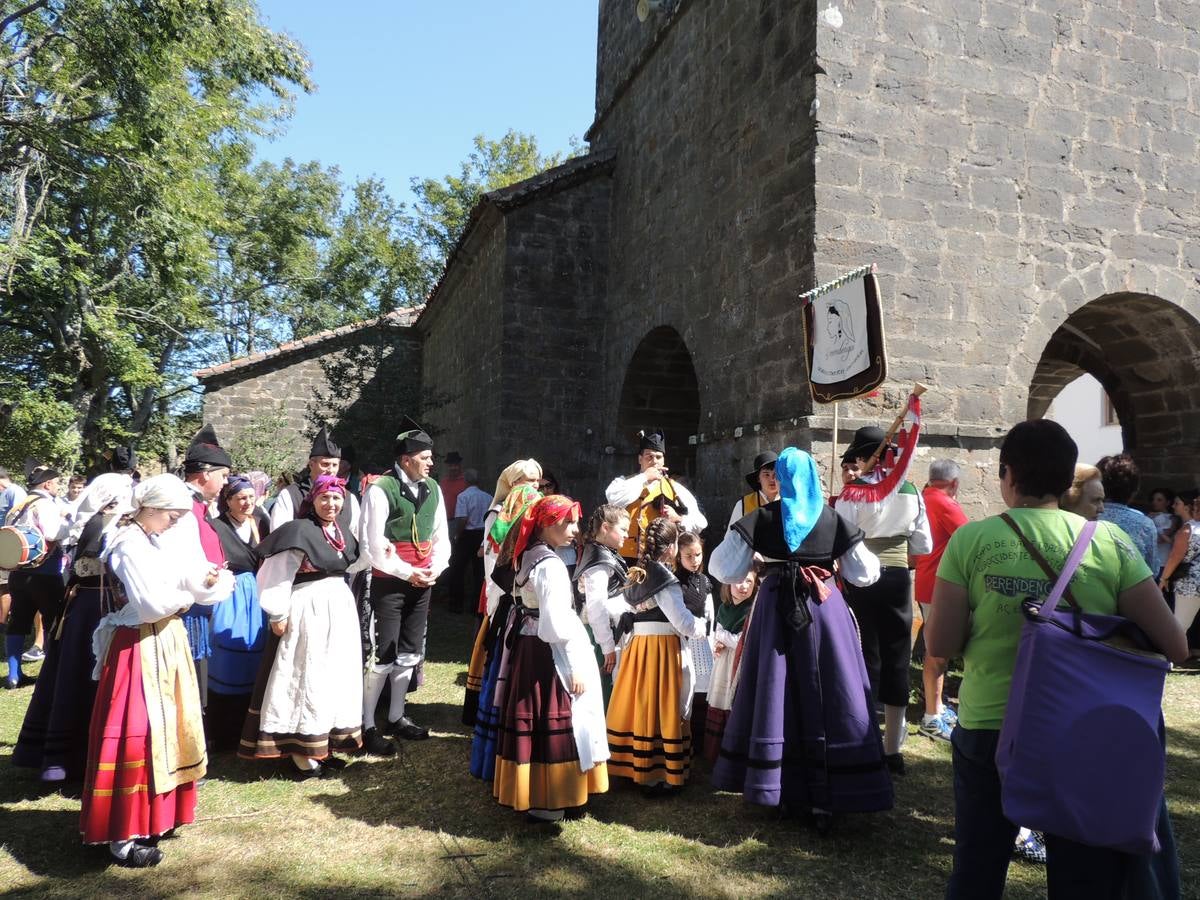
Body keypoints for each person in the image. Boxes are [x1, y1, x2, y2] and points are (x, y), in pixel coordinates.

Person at [926, 419, 1187, 899]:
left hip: (989, 724)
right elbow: (1174, 644)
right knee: (1083, 877)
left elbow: (940, 643)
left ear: (1007, 474)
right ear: (1068, 479)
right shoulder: (1107, 542)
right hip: (1079, 730)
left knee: (977, 870)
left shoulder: (971, 540)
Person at [709, 446, 891, 826]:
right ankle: (826, 795)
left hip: (775, 611)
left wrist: (766, 560)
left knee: (777, 692)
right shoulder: (832, 519)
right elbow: (865, 574)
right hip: (824, 610)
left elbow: (722, 568)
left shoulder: (762, 517)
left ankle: (779, 788)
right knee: (830, 692)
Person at [80, 474, 234, 867]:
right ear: (148, 509)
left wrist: (204, 581)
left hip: (163, 642)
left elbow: (180, 582)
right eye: (171, 514)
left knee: (168, 731)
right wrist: (185, 598)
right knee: (137, 736)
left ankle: (156, 817)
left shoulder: (150, 539)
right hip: (137, 647)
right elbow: (151, 603)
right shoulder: (128, 544)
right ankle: (122, 834)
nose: (175, 521)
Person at [492, 494, 609, 823]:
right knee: (555, 721)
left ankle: (537, 794)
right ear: (545, 525)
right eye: (567, 523)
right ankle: (551, 798)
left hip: (529, 648)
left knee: (535, 719)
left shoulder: (528, 555)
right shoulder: (550, 565)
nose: (575, 530)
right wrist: (573, 666)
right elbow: (557, 625)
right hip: (549, 655)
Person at [240, 475, 363, 775]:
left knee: (335, 674)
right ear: (313, 500)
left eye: (336, 498)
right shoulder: (298, 531)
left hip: (339, 608)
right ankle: (300, 751)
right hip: (309, 608)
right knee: (307, 675)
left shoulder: (342, 531)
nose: (331, 504)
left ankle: (324, 744)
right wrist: (278, 613)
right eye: (324, 498)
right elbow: (275, 574)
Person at [13, 473, 133, 781]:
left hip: (82, 607)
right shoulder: (108, 524)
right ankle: (80, 755)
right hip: (97, 609)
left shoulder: (93, 520)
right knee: (85, 676)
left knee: (70, 674)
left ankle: (64, 757)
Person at [835, 426, 932, 773]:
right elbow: (924, 546)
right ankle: (893, 750)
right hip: (896, 578)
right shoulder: (911, 492)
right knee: (897, 656)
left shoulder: (852, 494)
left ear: (863, 457)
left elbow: (840, 540)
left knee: (864, 654)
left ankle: (863, 739)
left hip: (860, 578)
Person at [358, 418, 450, 756]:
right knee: (384, 653)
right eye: (425, 457)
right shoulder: (380, 489)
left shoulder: (433, 488)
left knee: (411, 652)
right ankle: (367, 725)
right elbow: (372, 543)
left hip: (422, 580)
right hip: (390, 583)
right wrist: (406, 571)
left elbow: (441, 536)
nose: (430, 463)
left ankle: (396, 716)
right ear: (406, 458)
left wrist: (434, 569)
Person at [605, 517, 705, 794]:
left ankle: (634, 762)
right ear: (672, 546)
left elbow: (618, 605)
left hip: (638, 647)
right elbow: (682, 622)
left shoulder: (638, 573)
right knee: (661, 703)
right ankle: (656, 773)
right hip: (661, 648)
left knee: (640, 701)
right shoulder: (665, 580)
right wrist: (702, 627)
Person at [469, 482, 543, 780]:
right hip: (512, 618)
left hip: (514, 617)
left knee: (502, 687)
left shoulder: (528, 548)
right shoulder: (506, 532)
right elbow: (495, 575)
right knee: (505, 686)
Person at [162, 424, 231, 708]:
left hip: (200, 601)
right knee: (183, 676)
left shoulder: (198, 505)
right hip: (185, 606)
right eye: (223, 476)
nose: (226, 482)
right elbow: (181, 561)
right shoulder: (183, 508)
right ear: (205, 474)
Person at [206, 475, 272, 751]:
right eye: (240, 498)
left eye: (250, 497)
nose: (247, 503)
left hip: (257, 592)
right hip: (231, 594)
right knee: (228, 659)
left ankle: (251, 726)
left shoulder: (260, 523)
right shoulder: (216, 527)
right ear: (228, 501)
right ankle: (223, 732)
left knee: (256, 656)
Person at [913, 459, 969, 742]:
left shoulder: (923, 498)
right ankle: (932, 717)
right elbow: (971, 539)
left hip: (927, 582)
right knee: (938, 654)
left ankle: (936, 708)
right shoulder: (945, 503)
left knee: (937, 651)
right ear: (955, 483)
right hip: (940, 586)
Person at [4, 464, 68, 688]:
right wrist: (69, 526)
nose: (59, 486)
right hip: (45, 572)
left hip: (18, 572)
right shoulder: (45, 504)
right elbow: (52, 533)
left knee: (18, 621)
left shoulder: (17, 506)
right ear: (48, 483)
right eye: (57, 482)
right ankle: (51, 673)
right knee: (53, 622)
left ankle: (14, 674)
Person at [605, 429, 707, 563]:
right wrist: (645, 477)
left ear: (663, 460)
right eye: (649, 456)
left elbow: (700, 522)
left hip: (660, 559)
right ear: (640, 459)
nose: (654, 461)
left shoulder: (675, 488)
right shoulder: (623, 482)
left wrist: (679, 519)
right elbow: (613, 498)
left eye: (658, 457)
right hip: (625, 556)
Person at [573, 504, 631, 709]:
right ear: (605, 527)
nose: (627, 534)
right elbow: (596, 606)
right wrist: (607, 648)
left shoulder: (601, 552)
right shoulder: (600, 561)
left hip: (604, 632)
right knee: (602, 690)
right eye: (623, 529)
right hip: (600, 636)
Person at [701, 568, 758, 762]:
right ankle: (716, 753)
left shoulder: (753, 610)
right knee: (720, 700)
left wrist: (722, 637)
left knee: (733, 701)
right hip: (723, 663)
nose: (743, 586)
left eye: (749, 582)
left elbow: (743, 641)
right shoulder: (725, 608)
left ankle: (735, 755)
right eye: (739, 581)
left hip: (739, 663)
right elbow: (718, 631)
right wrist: (718, 643)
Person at [270, 425, 359, 534]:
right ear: (311, 464)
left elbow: (357, 534)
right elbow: (279, 535)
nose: (331, 470)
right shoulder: (291, 495)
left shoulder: (349, 498)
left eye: (335, 465)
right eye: (325, 464)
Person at [676, 532, 715, 749]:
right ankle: (683, 739)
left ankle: (699, 740)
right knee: (684, 690)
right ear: (679, 556)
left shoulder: (704, 581)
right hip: (683, 641)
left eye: (698, 554)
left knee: (702, 690)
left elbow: (710, 615)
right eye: (688, 556)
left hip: (702, 643)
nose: (694, 560)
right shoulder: (675, 582)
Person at [1096, 454, 1158, 572]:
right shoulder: (1144, 523)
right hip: (1131, 587)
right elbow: (1152, 569)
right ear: (1134, 490)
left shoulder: (1082, 517)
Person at [446, 468, 490, 614]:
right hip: (482, 534)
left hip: (467, 534)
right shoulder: (488, 497)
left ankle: (456, 603)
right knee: (479, 572)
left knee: (457, 569)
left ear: (465, 481)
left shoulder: (463, 496)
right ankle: (477, 605)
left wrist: (457, 534)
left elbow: (462, 518)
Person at [1160, 489, 1200, 650]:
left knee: (1180, 623)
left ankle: (1172, 653)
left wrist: (1164, 578)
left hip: (1191, 582)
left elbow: (1175, 557)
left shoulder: (1188, 530)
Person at [0, 466, 28, 639]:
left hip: (8, 545)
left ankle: (2, 624)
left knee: (4, 585)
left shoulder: (15, 492)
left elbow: (18, 520)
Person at [727, 451, 779, 531]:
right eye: (766, 474)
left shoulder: (788, 502)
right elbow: (731, 538)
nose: (772, 479)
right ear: (758, 478)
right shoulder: (743, 505)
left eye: (775, 474)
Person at [1148, 488, 1177, 577]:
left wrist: (1151, 523)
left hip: (1163, 561)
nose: (1155, 502)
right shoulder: (1149, 516)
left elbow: (1160, 539)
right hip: (1149, 562)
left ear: (1168, 502)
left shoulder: (1172, 518)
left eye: (1159, 500)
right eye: (1153, 499)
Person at [438, 451, 467, 535]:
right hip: (445, 521)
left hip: (461, 522)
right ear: (447, 467)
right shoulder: (443, 482)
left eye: (455, 465)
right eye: (451, 465)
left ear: (460, 466)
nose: (453, 468)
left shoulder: (465, 482)